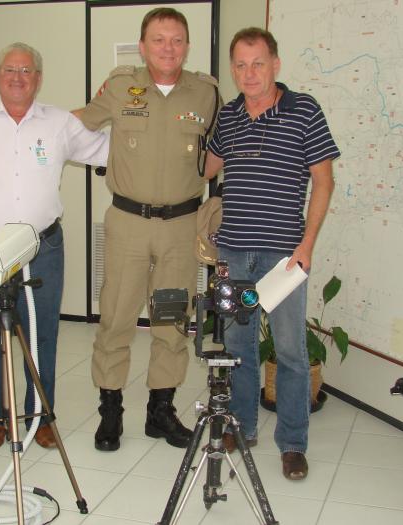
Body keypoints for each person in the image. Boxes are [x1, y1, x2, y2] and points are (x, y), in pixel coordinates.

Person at [78, 7, 221, 451]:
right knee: (116, 318)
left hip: (181, 226)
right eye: (159, 39)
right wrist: (23, 127)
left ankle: (161, 410)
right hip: (128, 224)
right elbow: (78, 121)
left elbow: (221, 149)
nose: (168, 48)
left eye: (177, 40)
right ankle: (111, 410)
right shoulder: (121, 85)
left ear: (188, 46)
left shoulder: (205, 92)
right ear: (143, 46)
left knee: (171, 320)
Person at [0, 43, 109, 450]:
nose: (18, 77)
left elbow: (107, 150)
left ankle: (40, 417)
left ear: (39, 79)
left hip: (44, 247)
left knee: (41, 336)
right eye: (10, 70)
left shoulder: (59, 123)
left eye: (27, 71)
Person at [204, 27, 340, 480]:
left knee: (290, 351)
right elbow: (206, 166)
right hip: (233, 251)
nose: (249, 73)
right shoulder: (228, 115)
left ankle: (293, 443)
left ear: (275, 64)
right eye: (240, 65)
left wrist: (306, 246)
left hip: (283, 256)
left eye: (257, 63)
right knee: (238, 347)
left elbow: (324, 181)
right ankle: (241, 428)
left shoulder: (304, 110)